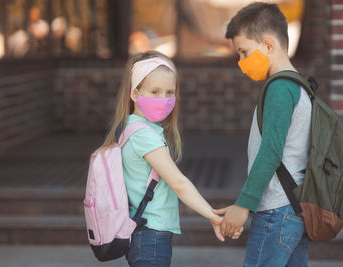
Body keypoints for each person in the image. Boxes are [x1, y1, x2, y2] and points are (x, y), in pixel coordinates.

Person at [102, 50, 242, 267]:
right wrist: (213, 216)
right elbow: (179, 183)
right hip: (151, 237)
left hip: (145, 235)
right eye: (155, 91)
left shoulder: (131, 127)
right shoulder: (144, 136)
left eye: (170, 92)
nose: (164, 99)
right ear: (134, 94)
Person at [214, 2, 311, 266]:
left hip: (276, 212)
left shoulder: (280, 88)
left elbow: (270, 152)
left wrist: (244, 204)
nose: (242, 62)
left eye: (244, 52)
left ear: (268, 45)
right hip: (295, 210)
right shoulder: (298, 84)